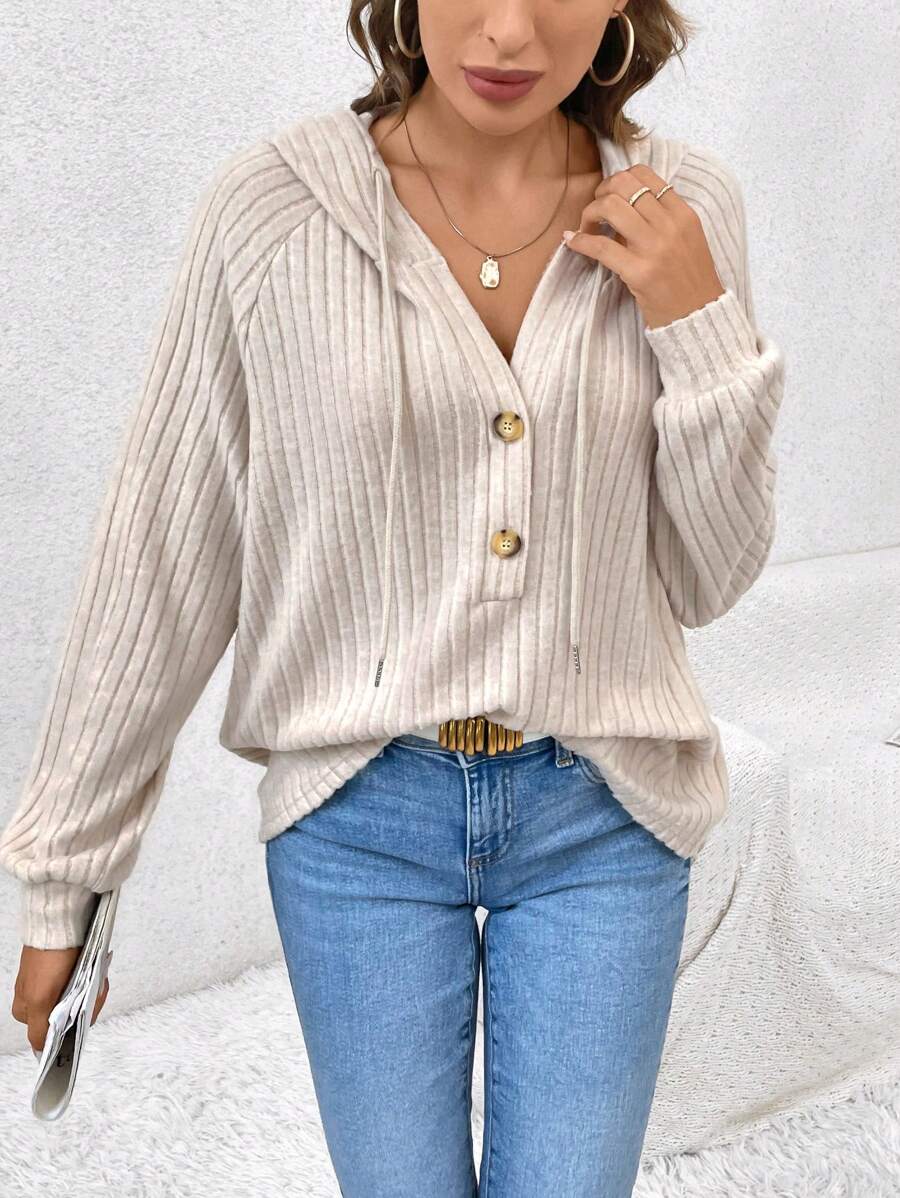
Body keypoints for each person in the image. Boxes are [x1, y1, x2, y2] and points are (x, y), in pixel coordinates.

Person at [3, 1, 785, 1194]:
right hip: (359, 817)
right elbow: (161, 551)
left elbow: (709, 574)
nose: (509, 32)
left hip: (606, 815)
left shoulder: (685, 208)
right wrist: (70, 873)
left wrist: (699, 325)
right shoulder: (272, 212)